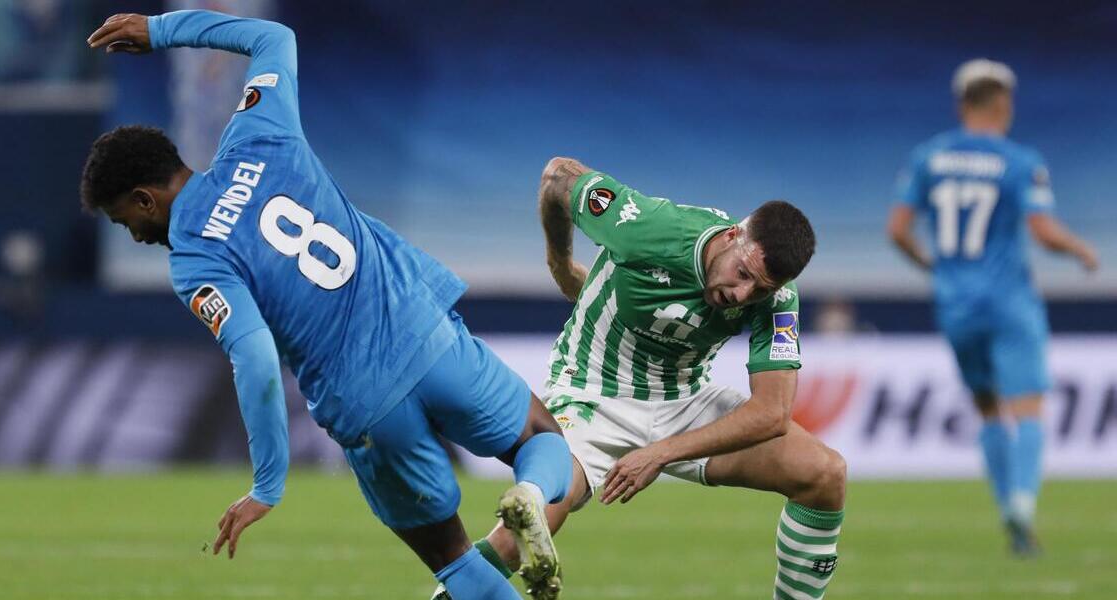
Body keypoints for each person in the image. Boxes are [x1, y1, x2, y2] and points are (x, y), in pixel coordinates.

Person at [80, 11, 573, 599]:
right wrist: (161, 31)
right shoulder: (259, 134)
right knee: (540, 437)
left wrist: (267, 484)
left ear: (145, 199)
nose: (134, 235)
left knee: (453, 560)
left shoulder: (195, 261)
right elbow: (271, 37)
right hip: (425, 335)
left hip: (365, 406)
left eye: (125, 221)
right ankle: (531, 494)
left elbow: (255, 359)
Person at [435, 158, 845, 600]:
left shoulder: (777, 297)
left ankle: (535, 494)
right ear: (731, 236)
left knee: (824, 475)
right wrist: (560, 261)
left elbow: (772, 413)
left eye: (759, 289)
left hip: (684, 400)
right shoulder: (648, 226)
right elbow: (556, 178)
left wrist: (660, 453)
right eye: (742, 274)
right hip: (593, 390)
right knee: (546, 509)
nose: (742, 295)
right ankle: (531, 503)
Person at [887, 59, 1098, 557]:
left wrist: (933, 267)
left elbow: (897, 230)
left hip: (955, 305)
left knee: (987, 407)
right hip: (1009, 302)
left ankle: (1005, 504)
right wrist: (1080, 250)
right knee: (1027, 407)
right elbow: (1043, 232)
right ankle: (1022, 502)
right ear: (1004, 103)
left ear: (962, 104)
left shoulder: (929, 157)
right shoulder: (1020, 161)